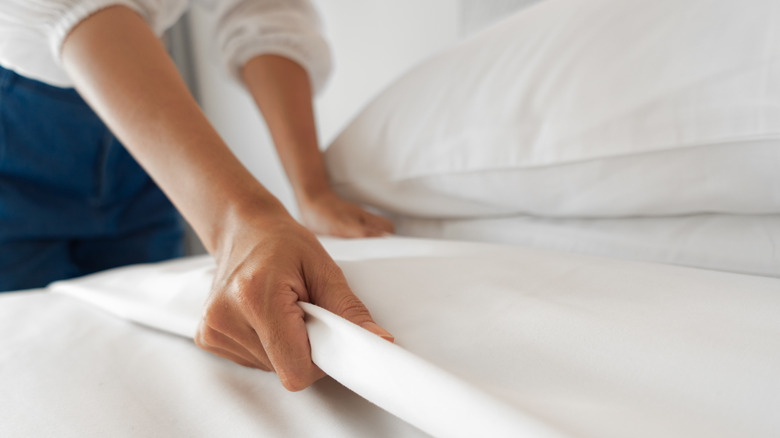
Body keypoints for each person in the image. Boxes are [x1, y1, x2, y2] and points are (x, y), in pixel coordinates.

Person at [0, 0, 394, 391]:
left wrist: (312, 191)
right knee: (33, 365)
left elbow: (261, 9)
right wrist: (242, 221)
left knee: (141, 357)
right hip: (17, 142)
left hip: (141, 144)